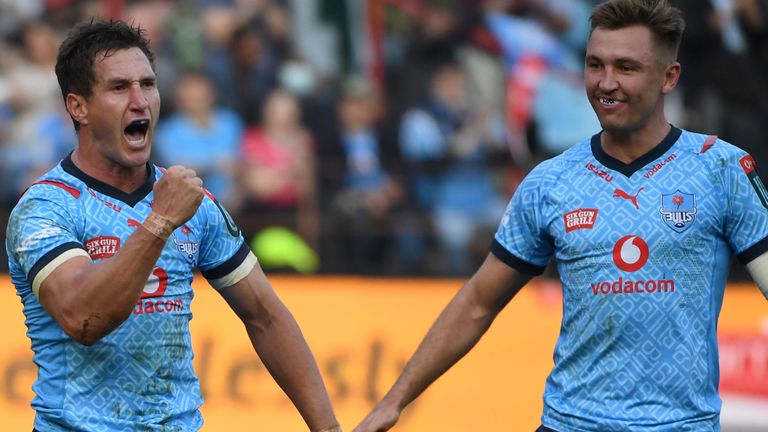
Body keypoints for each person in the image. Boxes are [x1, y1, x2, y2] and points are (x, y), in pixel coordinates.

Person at [353, 0, 768, 431]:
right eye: (595, 65)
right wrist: (394, 401)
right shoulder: (550, 182)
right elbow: (477, 302)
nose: (607, 83)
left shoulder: (721, 168)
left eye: (626, 67)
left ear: (669, 77)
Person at [4, 20, 341, 432]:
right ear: (79, 107)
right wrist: (160, 221)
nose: (140, 100)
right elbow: (83, 319)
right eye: (118, 88)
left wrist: (330, 429)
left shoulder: (191, 203)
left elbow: (266, 317)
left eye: (148, 84)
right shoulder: (45, 206)